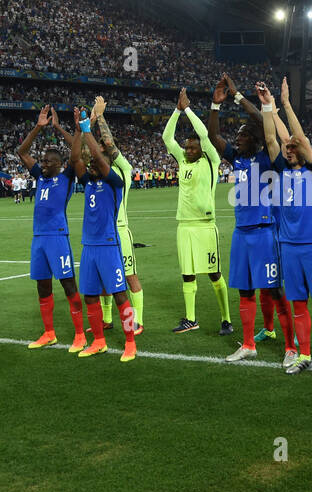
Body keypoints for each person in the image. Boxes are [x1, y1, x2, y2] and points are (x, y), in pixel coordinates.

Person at [209, 74, 295, 365]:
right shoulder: (239, 159)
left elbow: (261, 120)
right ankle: (248, 345)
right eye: (238, 135)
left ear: (256, 139)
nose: (238, 138)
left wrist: (238, 97)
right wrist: (215, 105)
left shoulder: (268, 158)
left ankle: (291, 348)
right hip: (241, 234)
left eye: (244, 134)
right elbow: (213, 137)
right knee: (245, 291)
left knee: (274, 290)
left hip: (264, 233)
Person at [260, 80, 312, 374]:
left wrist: (285, 103)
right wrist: (267, 105)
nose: (290, 149)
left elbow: (300, 138)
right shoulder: (280, 168)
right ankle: (304, 354)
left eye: (294, 146)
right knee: (299, 306)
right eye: (288, 147)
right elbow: (272, 138)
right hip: (288, 246)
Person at [16, 105, 86, 352]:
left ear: (59, 164)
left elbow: (77, 155)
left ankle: (80, 335)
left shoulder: (66, 176)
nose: (42, 163)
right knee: (42, 286)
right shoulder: (41, 177)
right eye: (42, 160)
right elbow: (22, 151)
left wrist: (72, 130)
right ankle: (49, 333)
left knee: (68, 285)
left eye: (47, 161)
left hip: (58, 237)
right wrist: (38, 127)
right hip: (39, 239)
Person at [162, 88, 232, 335]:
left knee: (214, 273)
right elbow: (166, 137)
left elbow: (204, 134)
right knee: (187, 274)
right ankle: (191, 319)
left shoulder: (211, 159)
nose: (188, 150)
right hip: (184, 226)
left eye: (192, 148)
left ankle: (226, 319)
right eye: (187, 148)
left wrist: (188, 109)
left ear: (201, 149)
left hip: (205, 226)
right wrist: (176, 111)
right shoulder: (182, 160)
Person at [74, 107, 138, 362]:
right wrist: (80, 129)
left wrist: (89, 128)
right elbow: (76, 159)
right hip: (88, 246)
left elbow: (100, 160)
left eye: (97, 162)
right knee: (90, 295)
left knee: (120, 294)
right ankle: (98, 341)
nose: (92, 163)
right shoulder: (89, 182)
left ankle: (130, 342)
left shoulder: (115, 183)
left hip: (109, 246)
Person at [92, 97, 145, 335]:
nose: (101, 145)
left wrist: (101, 117)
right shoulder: (96, 169)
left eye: (102, 143)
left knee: (129, 276)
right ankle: (106, 319)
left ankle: (138, 321)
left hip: (120, 231)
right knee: (104, 280)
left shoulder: (123, 168)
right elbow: (87, 148)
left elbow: (109, 144)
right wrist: (89, 122)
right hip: (102, 233)